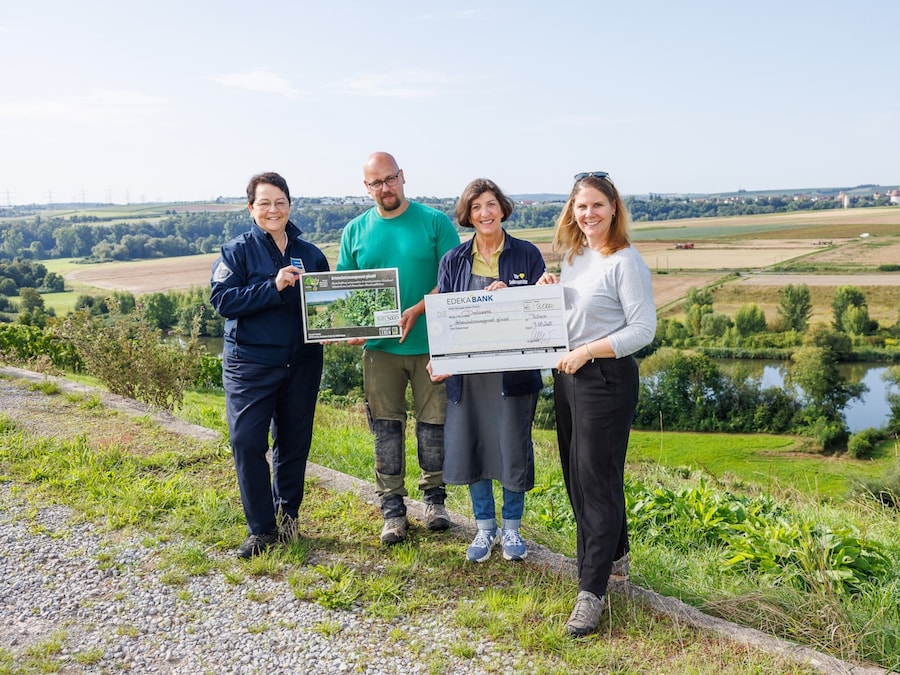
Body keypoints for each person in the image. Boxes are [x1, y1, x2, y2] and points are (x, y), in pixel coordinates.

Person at [537, 171, 656, 636]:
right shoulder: (576, 256)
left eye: (597, 206)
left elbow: (642, 330)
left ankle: (591, 591)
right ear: (573, 211)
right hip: (569, 377)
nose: (588, 214)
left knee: (595, 483)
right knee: (580, 475)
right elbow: (578, 312)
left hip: (604, 378)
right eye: (581, 207)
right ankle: (616, 560)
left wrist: (587, 351)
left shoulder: (625, 261)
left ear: (613, 209)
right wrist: (551, 291)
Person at [337, 152, 460, 545]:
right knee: (386, 428)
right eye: (376, 183)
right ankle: (392, 509)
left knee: (433, 427)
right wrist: (349, 327)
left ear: (403, 177)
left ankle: (435, 502)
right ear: (366, 187)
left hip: (431, 343)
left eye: (390, 179)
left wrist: (419, 309)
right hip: (380, 349)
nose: (385, 188)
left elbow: (455, 279)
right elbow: (346, 291)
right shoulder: (354, 231)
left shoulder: (434, 223)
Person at [210, 172, 329, 559]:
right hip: (250, 365)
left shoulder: (311, 254)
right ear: (251, 208)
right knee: (247, 443)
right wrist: (272, 285)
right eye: (264, 203)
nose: (273, 209)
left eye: (279, 202)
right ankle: (262, 531)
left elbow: (328, 305)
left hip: (302, 363)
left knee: (294, 444)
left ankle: (288, 519)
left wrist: (337, 327)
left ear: (289, 205)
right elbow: (223, 301)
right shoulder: (236, 252)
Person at [430, 178, 545, 563]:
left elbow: (538, 312)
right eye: (476, 207)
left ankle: (512, 529)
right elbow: (445, 319)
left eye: (491, 204)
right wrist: (439, 359)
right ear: (468, 214)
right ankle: (484, 528)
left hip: (512, 374)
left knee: (512, 448)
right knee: (473, 445)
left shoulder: (527, 255)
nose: (485, 213)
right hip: (468, 375)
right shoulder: (454, 260)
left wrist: (509, 301)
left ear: (503, 208)